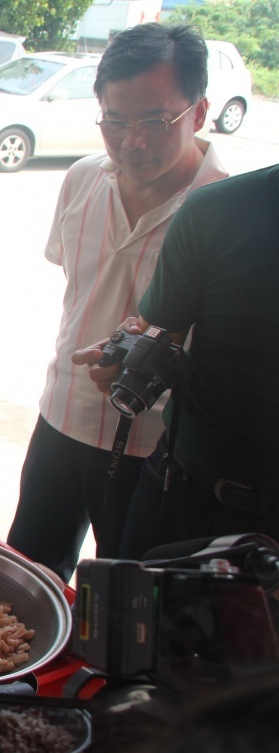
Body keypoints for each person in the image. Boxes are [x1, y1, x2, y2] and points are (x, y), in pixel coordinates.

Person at [6, 23, 228, 581]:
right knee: (23, 583)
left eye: (155, 120)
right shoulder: (81, 179)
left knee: (130, 605)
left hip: (155, 450)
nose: (133, 141)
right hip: (60, 418)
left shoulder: (227, 211)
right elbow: (78, 287)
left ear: (198, 113)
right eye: (115, 120)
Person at [73, 162, 279, 558]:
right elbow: (158, 335)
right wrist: (120, 355)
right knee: (126, 618)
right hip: (184, 492)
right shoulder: (218, 210)